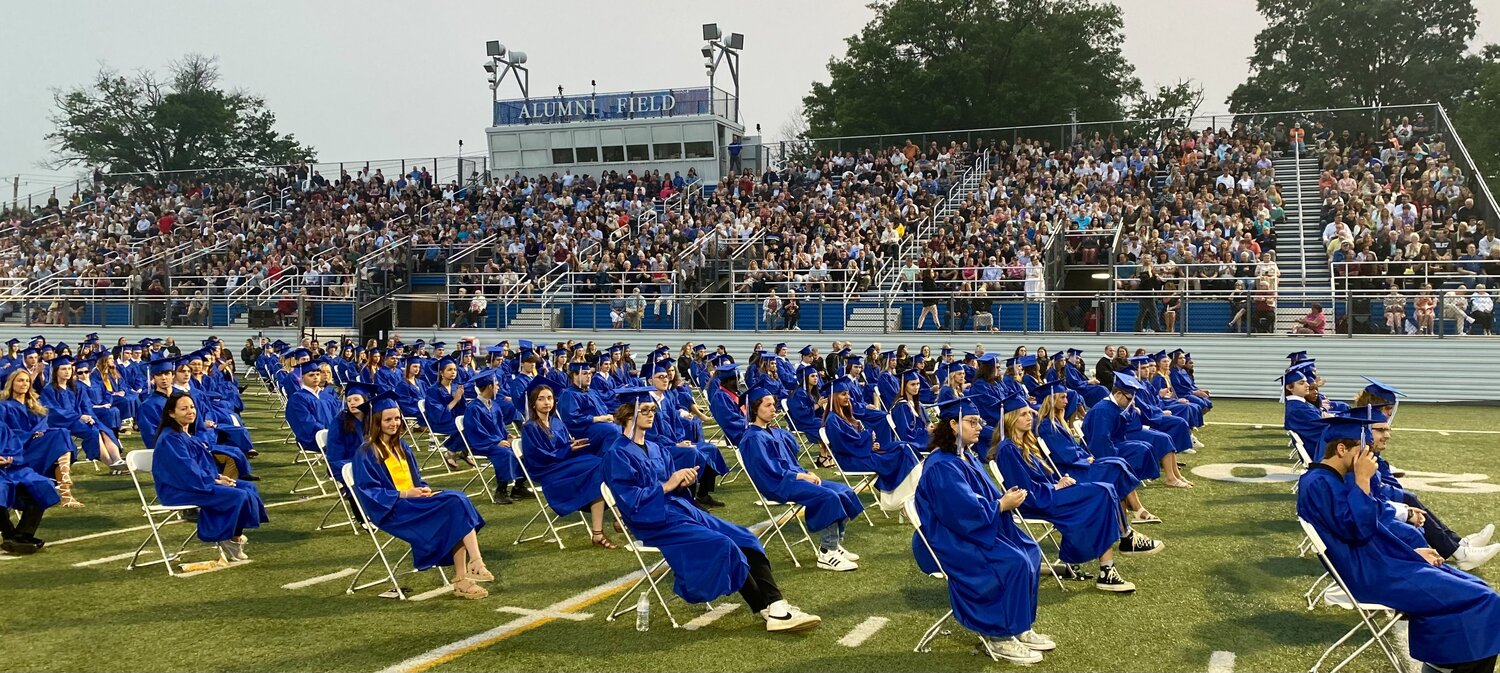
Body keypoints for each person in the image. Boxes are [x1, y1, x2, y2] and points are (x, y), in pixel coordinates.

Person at [601, 386, 821, 632]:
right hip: (651, 520)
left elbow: (670, 484)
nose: (651, 414)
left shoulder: (655, 448)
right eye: (645, 410)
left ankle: (776, 606)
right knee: (723, 544)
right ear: (628, 416)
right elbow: (630, 499)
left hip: (679, 509)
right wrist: (668, 484)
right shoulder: (617, 454)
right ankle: (767, 608)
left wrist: (684, 481)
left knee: (745, 537)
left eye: (653, 409)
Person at [1297, 414, 1500, 673]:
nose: (1370, 458)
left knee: (1477, 587)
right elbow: (1359, 530)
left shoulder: (1331, 480)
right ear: (1341, 449)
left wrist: (1412, 552)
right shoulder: (1317, 484)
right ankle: (1445, 666)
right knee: (1485, 600)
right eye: (1364, 450)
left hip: (1382, 564)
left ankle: (1441, 664)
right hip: (1371, 575)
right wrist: (1361, 481)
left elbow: (1371, 529)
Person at [913, 396, 1053, 664]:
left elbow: (979, 498)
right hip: (950, 538)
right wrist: (1001, 505)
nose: (979, 427)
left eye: (979, 422)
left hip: (975, 529)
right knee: (1012, 561)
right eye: (972, 422)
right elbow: (959, 512)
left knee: (1030, 550)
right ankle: (999, 636)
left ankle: (1019, 626)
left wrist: (1004, 498)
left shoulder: (964, 456)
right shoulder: (942, 464)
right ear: (953, 424)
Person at [991, 391, 1161, 592]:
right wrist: (1054, 486)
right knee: (1102, 492)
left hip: (1050, 493)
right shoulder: (1007, 449)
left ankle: (1112, 562)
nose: (1030, 417)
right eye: (1023, 414)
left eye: (1030, 413)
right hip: (1036, 502)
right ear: (1010, 418)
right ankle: (1119, 549)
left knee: (1105, 488)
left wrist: (1058, 480)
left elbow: (1042, 476)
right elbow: (1023, 490)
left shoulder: (1025, 442)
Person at [352, 393, 492, 600]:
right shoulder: (366, 452)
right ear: (376, 421)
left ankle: (469, 571)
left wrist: (424, 490)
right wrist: (405, 494)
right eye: (388, 419)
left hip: (414, 502)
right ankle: (471, 568)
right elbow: (369, 492)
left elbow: (416, 480)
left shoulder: (402, 446)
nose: (394, 423)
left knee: (457, 502)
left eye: (397, 418)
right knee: (454, 503)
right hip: (392, 509)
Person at [738, 384, 863, 571]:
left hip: (793, 477)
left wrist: (806, 473)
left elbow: (791, 461)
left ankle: (834, 544)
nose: (774, 409)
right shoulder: (753, 438)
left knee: (845, 491)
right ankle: (827, 553)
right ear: (755, 409)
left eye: (774, 404)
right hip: (778, 483)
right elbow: (770, 471)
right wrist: (800, 476)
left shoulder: (773, 431)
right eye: (768, 405)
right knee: (828, 496)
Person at [151, 391, 268, 561]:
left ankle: (233, 537)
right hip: (178, 489)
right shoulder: (171, 438)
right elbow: (185, 470)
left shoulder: (186, 435)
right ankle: (226, 538)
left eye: (192, 407)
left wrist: (219, 476)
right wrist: (214, 480)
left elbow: (200, 466)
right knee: (238, 494)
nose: (190, 411)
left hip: (198, 482)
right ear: (171, 413)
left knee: (248, 487)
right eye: (183, 409)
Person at [519, 377, 613, 548]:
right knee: (596, 466)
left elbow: (562, 446)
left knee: (601, 463)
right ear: (533, 404)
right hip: (548, 471)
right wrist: (568, 449)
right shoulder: (530, 427)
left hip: (564, 463)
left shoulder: (556, 422)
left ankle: (603, 528)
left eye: (549, 398)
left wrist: (572, 445)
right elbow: (538, 457)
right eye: (541, 399)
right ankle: (612, 522)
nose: (546, 402)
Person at [822, 377, 921, 509]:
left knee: (903, 447)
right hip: (849, 459)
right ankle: (899, 498)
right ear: (834, 397)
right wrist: (867, 438)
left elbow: (852, 441)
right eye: (843, 394)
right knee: (901, 453)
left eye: (848, 394)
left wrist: (870, 445)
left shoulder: (843, 417)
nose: (848, 397)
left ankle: (909, 493)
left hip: (859, 453)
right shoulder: (832, 420)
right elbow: (843, 444)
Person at [459, 372, 527, 504]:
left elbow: (500, 426)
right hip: (482, 444)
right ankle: (501, 490)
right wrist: (497, 442)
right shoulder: (473, 408)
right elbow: (477, 432)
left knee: (523, 449)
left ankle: (519, 486)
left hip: (497, 442)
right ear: (489, 386)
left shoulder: (494, 405)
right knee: (506, 453)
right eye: (496, 385)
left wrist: (507, 436)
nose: (498, 388)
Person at [0, 421, 61, 554]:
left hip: (11, 470)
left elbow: (14, 448)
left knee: (41, 485)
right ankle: (8, 533)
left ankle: (22, 534)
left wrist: (8, 458)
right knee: (0, 490)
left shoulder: (2, 426)